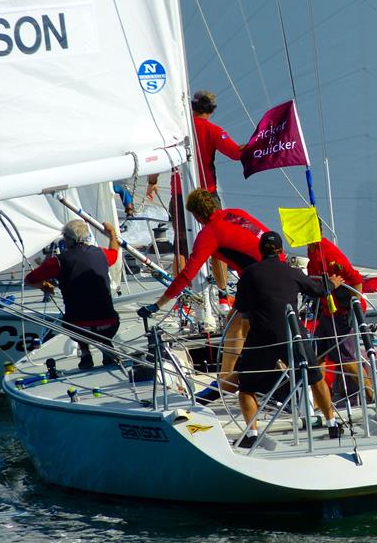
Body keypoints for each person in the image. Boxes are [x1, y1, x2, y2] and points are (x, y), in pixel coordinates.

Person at [136, 189, 268, 394]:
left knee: (238, 328)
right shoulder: (235, 213)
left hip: (258, 280)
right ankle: (227, 378)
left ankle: (225, 384)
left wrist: (158, 304)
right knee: (236, 321)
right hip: (274, 270)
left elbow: (187, 273)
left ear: (197, 215)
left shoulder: (209, 233)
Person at [233, 231, 344, 448]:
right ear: (281, 251)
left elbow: (242, 307)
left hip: (262, 337)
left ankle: (253, 435)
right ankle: (332, 424)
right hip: (293, 334)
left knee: (246, 386)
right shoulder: (291, 271)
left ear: (260, 250)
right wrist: (331, 284)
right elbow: (317, 290)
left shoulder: (248, 274)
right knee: (315, 376)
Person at [146, 90, 245, 312]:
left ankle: (183, 301)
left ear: (191, 107)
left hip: (180, 195)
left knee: (181, 247)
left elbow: (161, 158)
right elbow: (236, 154)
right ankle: (222, 296)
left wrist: (152, 181)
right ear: (211, 110)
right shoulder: (213, 130)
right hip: (207, 195)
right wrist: (258, 142)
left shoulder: (176, 132)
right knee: (218, 244)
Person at [25, 220, 121, 370]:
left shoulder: (58, 261)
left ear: (68, 239)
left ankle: (85, 353)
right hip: (108, 325)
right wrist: (112, 234)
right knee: (105, 316)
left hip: (78, 327)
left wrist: (45, 286)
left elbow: (29, 280)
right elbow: (114, 253)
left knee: (73, 319)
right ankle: (107, 347)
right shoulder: (101, 254)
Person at [307, 232, 374, 402]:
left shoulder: (330, 255)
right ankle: (318, 402)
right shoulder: (312, 251)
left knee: (346, 360)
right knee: (317, 355)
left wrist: (354, 308)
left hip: (343, 312)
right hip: (327, 311)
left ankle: (373, 396)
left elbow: (356, 279)